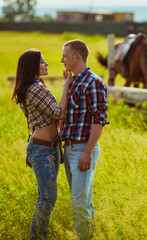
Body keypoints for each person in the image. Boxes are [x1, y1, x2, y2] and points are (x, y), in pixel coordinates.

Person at [12, 49, 73, 239]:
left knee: (46, 198)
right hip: (42, 149)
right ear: (32, 66)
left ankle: (39, 236)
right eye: (42, 62)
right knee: (47, 198)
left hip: (50, 147)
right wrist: (65, 86)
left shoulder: (38, 85)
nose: (46, 65)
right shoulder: (34, 89)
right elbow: (58, 113)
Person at [61, 39, 109, 239]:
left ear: (76, 57)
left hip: (83, 149)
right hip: (70, 148)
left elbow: (99, 119)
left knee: (79, 202)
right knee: (81, 201)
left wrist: (87, 152)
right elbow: (64, 115)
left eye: (65, 55)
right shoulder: (74, 81)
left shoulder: (94, 82)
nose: (61, 59)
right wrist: (65, 85)